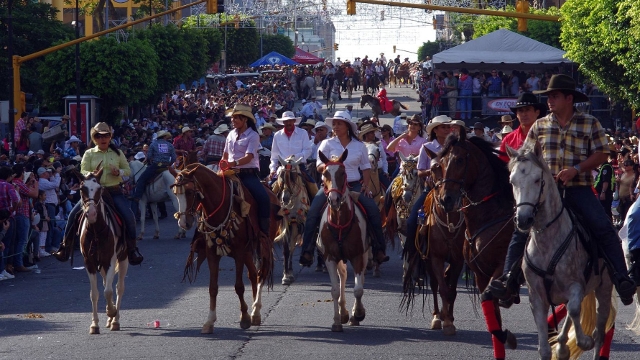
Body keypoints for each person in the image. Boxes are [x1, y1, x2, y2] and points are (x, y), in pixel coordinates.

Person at [496, 75, 636, 305]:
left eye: (555, 96)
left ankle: (622, 279)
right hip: (545, 193)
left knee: (603, 227)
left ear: (569, 98)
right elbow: (526, 157)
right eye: (549, 96)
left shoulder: (589, 122)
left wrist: (576, 168)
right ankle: (508, 280)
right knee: (520, 229)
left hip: (578, 188)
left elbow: (602, 154)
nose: (549, 100)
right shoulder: (539, 126)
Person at [298, 111, 389, 266]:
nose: (336, 126)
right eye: (334, 123)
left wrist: (365, 186)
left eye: (339, 123)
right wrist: (329, 166)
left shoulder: (359, 146)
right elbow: (319, 165)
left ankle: (378, 249)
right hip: (331, 187)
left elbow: (366, 168)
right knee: (313, 212)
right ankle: (308, 250)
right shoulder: (327, 144)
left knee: (373, 210)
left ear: (348, 126)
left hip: (354, 184)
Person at [53, 122, 143, 265]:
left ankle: (132, 249)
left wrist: (118, 172)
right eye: (99, 136)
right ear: (95, 138)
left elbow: (128, 171)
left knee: (129, 216)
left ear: (110, 137)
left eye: (106, 135)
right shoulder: (89, 153)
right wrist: (92, 174)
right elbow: (83, 171)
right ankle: (65, 247)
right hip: (93, 193)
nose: (103, 138)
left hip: (113, 191)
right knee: (72, 215)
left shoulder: (118, 153)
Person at [220, 104, 271, 238]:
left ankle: (264, 232)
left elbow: (249, 157)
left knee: (264, 198)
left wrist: (233, 163)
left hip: (247, 174)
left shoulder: (253, 135)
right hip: (229, 172)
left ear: (245, 120)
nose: (233, 120)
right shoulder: (230, 134)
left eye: (236, 117)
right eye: (232, 118)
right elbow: (225, 154)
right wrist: (223, 164)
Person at [404, 115, 452, 248]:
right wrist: (432, 171)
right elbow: (419, 172)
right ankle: (411, 252)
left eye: (448, 127)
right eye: (443, 127)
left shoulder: (455, 147)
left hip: (452, 190)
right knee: (412, 221)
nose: (447, 129)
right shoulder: (427, 147)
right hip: (431, 189)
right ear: (435, 130)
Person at [132, 130, 176, 202]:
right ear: (164, 136)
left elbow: (149, 156)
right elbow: (174, 157)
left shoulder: (153, 144)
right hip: (166, 166)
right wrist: (169, 165)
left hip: (156, 165)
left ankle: (137, 196)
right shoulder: (170, 145)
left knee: (142, 179)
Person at [359, 121, 390, 188]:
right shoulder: (360, 146)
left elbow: (384, 159)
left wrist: (385, 171)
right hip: (365, 173)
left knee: (389, 188)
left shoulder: (379, 144)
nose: (374, 134)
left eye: (374, 132)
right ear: (366, 134)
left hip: (379, 173)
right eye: (371, 133)